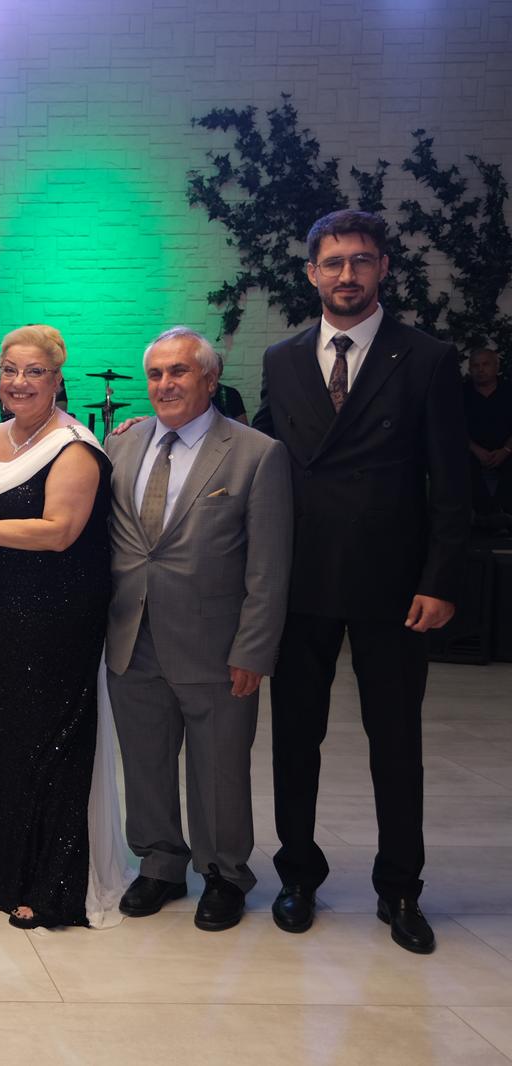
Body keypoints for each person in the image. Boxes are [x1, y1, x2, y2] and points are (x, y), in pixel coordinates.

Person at [253, 209, 470, 954]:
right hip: (302, 577)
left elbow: (452, 481)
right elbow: (259, 452)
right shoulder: (282, 358)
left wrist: (441, 579)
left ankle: (400, 886)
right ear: (311, 272)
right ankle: (298, 874)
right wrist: (159, 433)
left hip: (395, 584)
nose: (347, 275)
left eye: (362, 260)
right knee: (295, 739)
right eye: (334, 262)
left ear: (383, 268)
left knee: (396, 742)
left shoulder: (428, 357)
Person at [0, 324, 125, 929]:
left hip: (53, 615)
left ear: (57, 379)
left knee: (44, 741)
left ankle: (47, 880)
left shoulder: (75, 448)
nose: (19, 382)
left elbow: (59, 531)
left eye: (34, 371)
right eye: (10, 370)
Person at [104, 327, 292, 933]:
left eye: (179, 371)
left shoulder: (256, 453)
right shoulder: (120, 444)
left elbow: (269, 566)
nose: (165, 384)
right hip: (132, 636)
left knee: (219, 769)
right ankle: (159, 864)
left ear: (210, 379)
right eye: (156, 374)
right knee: (145, 761)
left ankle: (224, 874)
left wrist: (254, 650)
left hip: (217, 645)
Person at [464, 347, 512, 526]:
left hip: (507, 447)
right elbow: (453, 427)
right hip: (471, 449)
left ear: (496, 366)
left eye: (485, 364)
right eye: (475, 365)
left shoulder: (509, 390)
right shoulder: (460, 393)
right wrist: (475, 449)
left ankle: (503, 512)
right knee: (461, 463)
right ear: (470, 369)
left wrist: (506, 450)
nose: (480, 369)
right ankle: (487, 513)